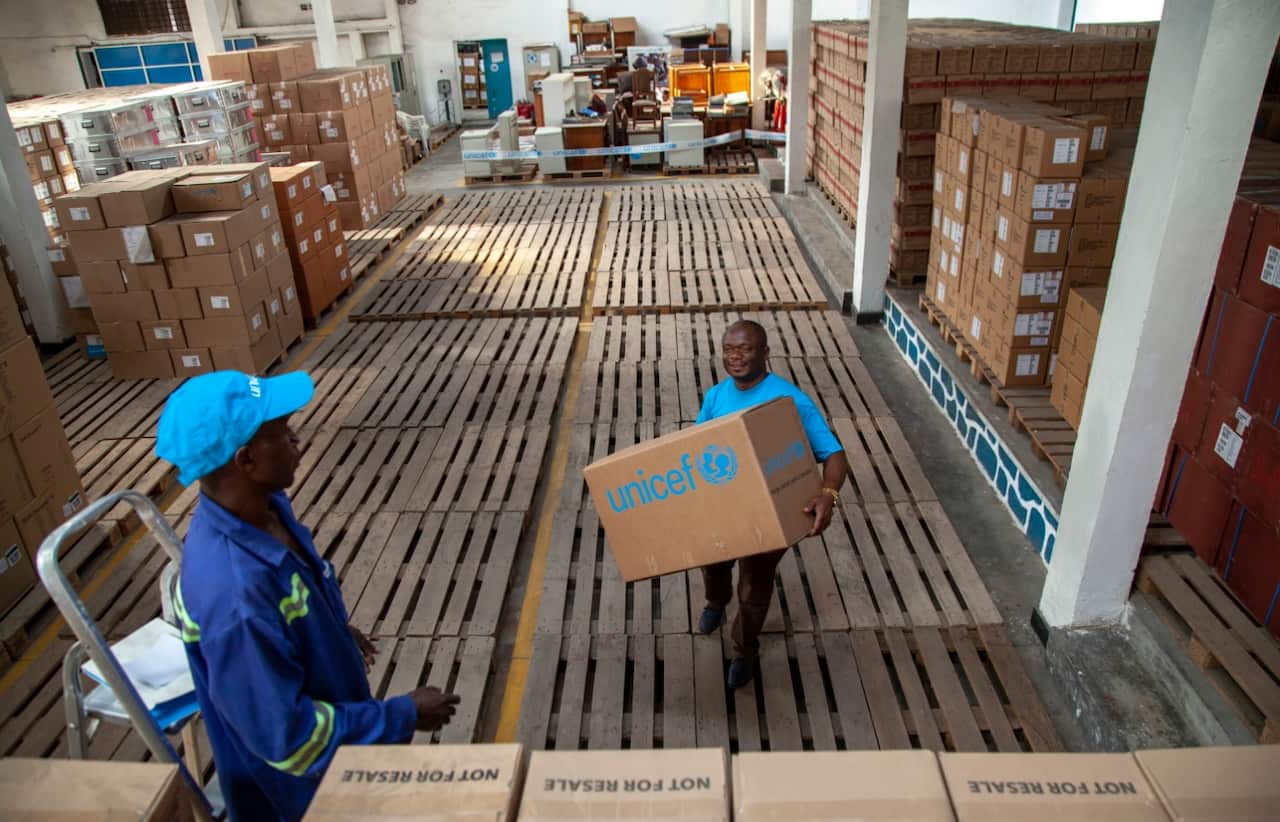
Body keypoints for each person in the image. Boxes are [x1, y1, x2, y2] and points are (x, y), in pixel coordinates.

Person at [156, 371, 460, 822]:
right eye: (282, 432)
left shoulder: (265, 511)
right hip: (297, 798)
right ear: (247, 461)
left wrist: (329, 629)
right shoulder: (235, 595)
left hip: (333, 752)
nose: (298, 441)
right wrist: (402, 715)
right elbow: (290, 740)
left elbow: (292, 601)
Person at [695, 320, 848, 689]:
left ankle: (744, 649)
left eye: (745, 349)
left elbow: (835, 455)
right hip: (724, 508)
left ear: (766, 353)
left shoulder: (791, 401)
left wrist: (829, 494)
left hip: (772, 512)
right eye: (729, 349)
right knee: (713, 565)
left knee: (754, 588)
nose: (736, 357)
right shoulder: (716, 396)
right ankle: (716, 601)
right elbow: (696, 445)